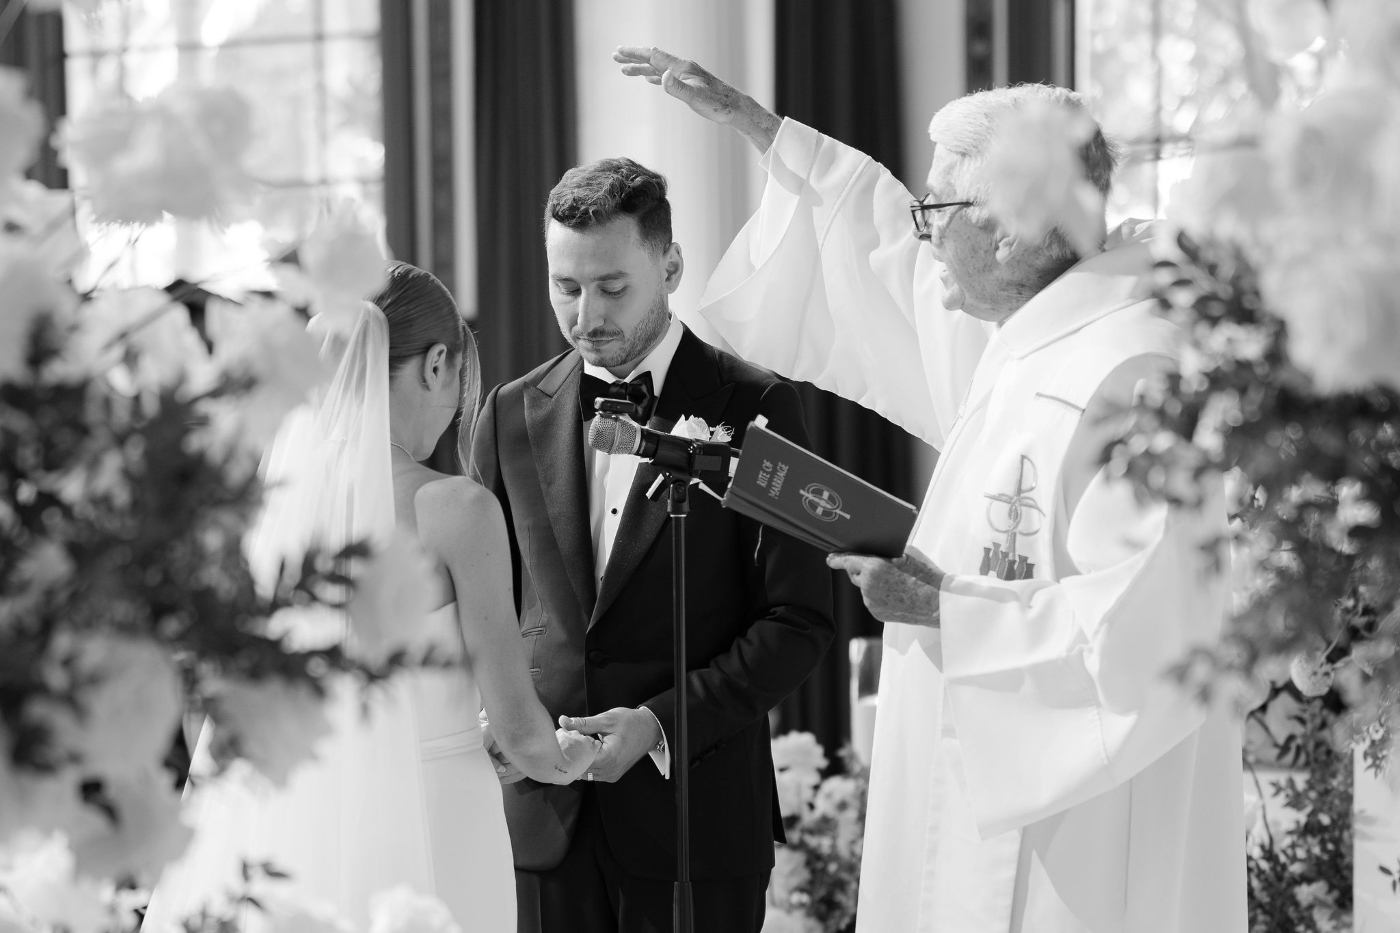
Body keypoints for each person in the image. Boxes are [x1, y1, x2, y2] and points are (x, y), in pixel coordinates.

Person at [616, 48, 1247, 933]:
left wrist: (950, 609)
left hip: (1081, 847)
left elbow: (1155, 626)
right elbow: (891, 266)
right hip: (974, 792)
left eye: (938, 210)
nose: (922, 232)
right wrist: (767, 136)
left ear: (1016, 227)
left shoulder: (1131, 373)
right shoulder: (1036, 331)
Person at [143, 263, 598, 932]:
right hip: (441, 818)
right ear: (437, 364)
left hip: (294, 820)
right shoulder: (455, 508)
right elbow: (523, 735)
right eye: (458, 378)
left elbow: (206, 704)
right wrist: (581, 753)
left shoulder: (267, 510)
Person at [469, 158, 836, 933]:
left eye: (612, 286)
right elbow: (483, 605)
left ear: (670, 265)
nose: (585, 314)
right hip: (542, 825)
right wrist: (492, 714)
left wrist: (659, 723)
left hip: (698, 827)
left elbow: (799, 620)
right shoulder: (508, 413)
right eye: (565, 286)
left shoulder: (759, 407)